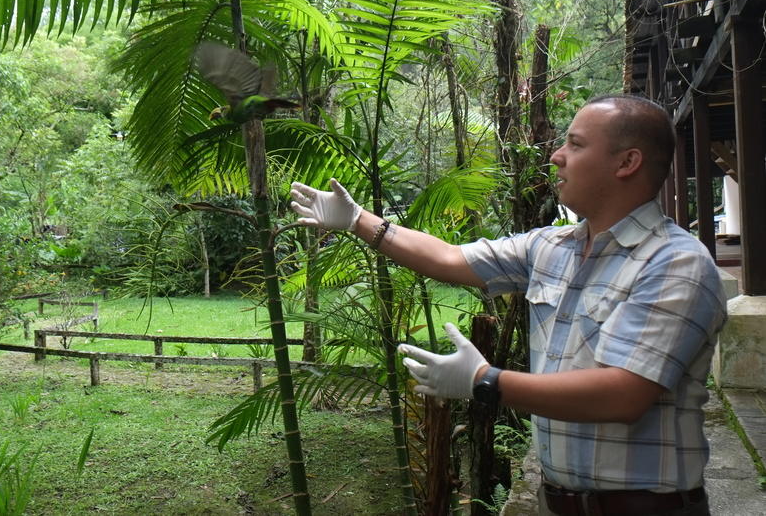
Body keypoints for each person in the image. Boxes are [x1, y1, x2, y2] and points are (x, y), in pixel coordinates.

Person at [290, 95, 725, 516]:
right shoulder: (550, 247)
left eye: (575, 144)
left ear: (626, 163)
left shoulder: (676, 263)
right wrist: (357, 220)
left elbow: (623, 394)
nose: (556, 155)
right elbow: (449, 257)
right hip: (556, 503)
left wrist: (486, 380)